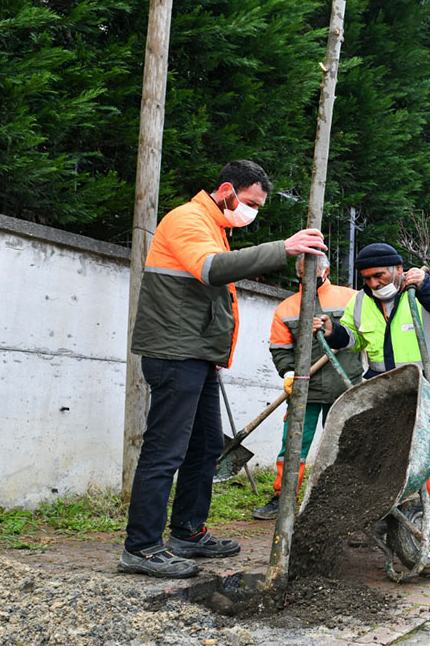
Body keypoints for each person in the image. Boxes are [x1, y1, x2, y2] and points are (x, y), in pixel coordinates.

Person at [120, 159, 327, 578]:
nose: (252, 212)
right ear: (227, 190)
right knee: (165, 449)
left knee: (205, 447)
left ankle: (188, 533)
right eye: (250, 202)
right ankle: (141, 547)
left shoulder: (215, 227)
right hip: (175, 353)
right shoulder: (188, 219)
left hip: (196, 354)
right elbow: (211, 270)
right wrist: (282, 249)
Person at [316, 243, 430, 547]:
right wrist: (332, 331)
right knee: (385, 455)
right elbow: (353, 338)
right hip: (388, 393)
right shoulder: (360, 302)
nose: (374, 283)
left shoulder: (426, 286)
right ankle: (384, 515)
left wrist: (427, 288)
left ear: (399, 269)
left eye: (380, 275)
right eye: (367, 278)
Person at [250, 255, 363, 519]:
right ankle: (283, 497)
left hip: (345, 388)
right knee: (293, 446)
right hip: (305, 390)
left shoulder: (351, 299)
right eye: (302, 272)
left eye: (312, 271)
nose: (306, 277)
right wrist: (289, 372)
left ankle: (342, 499)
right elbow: (280, 348)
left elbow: (364, 335)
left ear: (326, 270)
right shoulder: (287, 308)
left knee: (344, 446)